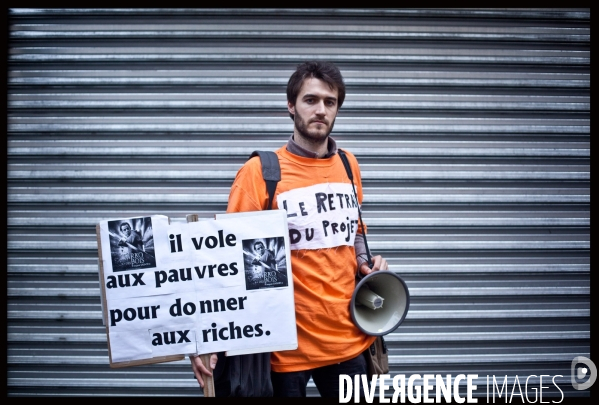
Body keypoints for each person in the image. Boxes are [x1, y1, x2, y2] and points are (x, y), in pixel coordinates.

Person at [190, 60, 388, 397]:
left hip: (349, 342)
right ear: (290, 106)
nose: (321, 110)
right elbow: (222, 261)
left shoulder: (348, 164)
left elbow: (353, 231)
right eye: (310, 100)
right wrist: (205, 338)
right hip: (283, 352)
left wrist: (365, 262)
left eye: (330, 101)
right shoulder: (259, 173)